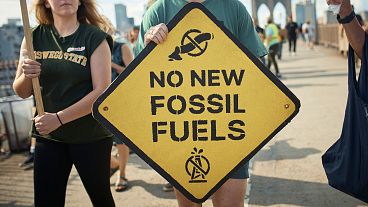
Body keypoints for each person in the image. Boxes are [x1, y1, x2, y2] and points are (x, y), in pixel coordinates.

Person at [135, 0, 267, 206]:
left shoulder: (233, 8)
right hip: (180, 131)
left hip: (229, 130)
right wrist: (148, 45)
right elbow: (138, 76)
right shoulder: (159, 10)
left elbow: (258, 73)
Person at [13, 0, 115, 206]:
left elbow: (102, 91)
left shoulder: (95, 37)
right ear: (47, 3)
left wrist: (59, 118)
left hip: (90, 136)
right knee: (46, 201)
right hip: (48, 135)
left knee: (101, 198)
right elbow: (21, 91)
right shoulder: (33, 37)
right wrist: (26, 74)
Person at [104, 18, 135, 192]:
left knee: (120, 141)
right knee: (101, 140)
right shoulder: (93, 46)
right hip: (100, 100)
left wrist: (112, 64)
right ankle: (114, 164)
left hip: (121, 99)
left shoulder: (121, 46)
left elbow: (133, 71)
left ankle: (121, 174)